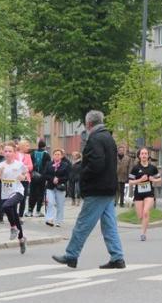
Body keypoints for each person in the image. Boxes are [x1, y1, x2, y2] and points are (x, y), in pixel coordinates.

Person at [51, 110, 125, 269]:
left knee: (83, 223)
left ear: (89, 124)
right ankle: (117, 257)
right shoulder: (109, 138)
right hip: (109, 188)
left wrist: (83, 174)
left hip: (97, 188)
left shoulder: (95, 139)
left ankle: (71, 255)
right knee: (109, 225)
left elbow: (96, 164)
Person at [0, 142, 28, 254]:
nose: (7, 153)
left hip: (17, 191)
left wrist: (22, 177)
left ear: (14, 153)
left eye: (10, 151)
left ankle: (13, 228)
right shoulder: (0, 166)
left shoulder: (19, 164)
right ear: (3, 153)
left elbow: (25, 175)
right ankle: (21, 239)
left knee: (6, 206)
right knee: (14, 215)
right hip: (5, 193)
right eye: (6, 151)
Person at [128, 147, 161, 241]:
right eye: (142, 154)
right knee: (140, 216)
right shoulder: (135, 168)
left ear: (148, 156)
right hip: (138, 194)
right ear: (139, 156)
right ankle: (144, 225)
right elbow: (130, 182)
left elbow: (159, 179)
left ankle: (143, 234)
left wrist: (153, 179)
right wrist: (140, 180)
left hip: (149, 193)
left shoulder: (152, 168)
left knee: (146, 212)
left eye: (145, 153)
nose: (144, 155)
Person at [43, 148, 70, 227]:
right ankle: (49, 219)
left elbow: (67, 176)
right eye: (55, 154)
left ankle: (59, 221)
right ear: (53, 155)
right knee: (50, 202)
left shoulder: (65, 165)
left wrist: (59, 179)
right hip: (50, 186)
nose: (57, 156)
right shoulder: (48, 164)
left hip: (60, 187)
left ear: (61, 156)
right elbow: (45, 174)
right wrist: (52, 179)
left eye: (58, 154)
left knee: (60, 205)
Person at [27, 139, 48, 217]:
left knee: (32, 193)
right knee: (41, 193)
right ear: (44, 146)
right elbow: (48, 166)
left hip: (33, 176)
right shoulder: (46, 154)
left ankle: (30, 211)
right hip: (42, 177)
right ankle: (38, 211)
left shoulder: (33, 153)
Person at [16, 139, 34, 217]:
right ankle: (14, 214)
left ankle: (20, 215)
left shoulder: (28, 156)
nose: (28, 147)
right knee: (15, 197)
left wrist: (23, 167)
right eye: (27, 146)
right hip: (16, 179)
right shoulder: (15, 154)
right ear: (22, 146)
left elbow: (31, 167)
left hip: (25, 179)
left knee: (23, 198)